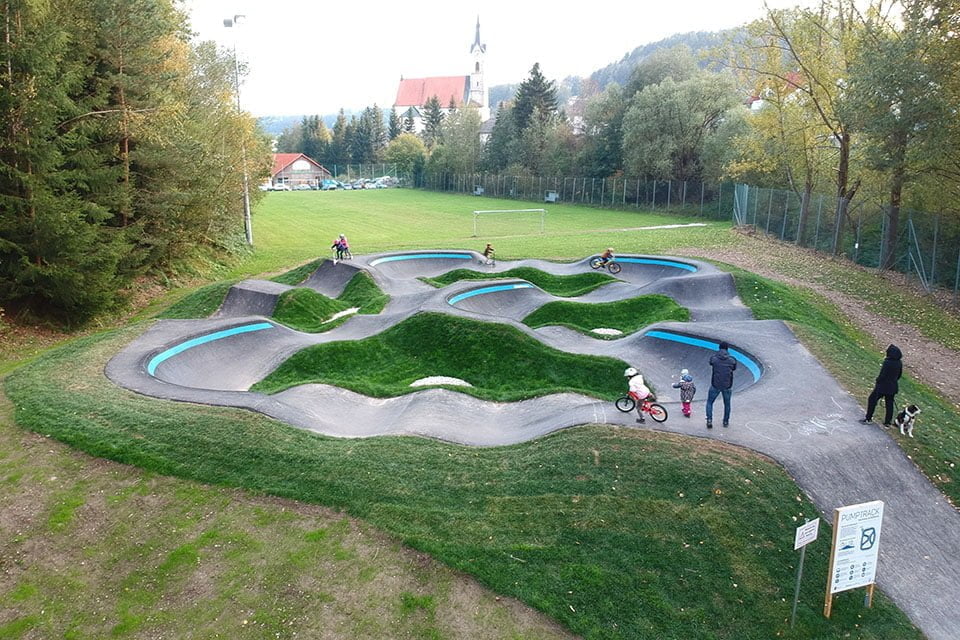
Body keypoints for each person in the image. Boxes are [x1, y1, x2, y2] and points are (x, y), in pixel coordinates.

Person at [860, 344, 903, 427]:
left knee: (872, 399)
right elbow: (899, 375)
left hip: (882, 386)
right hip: (893, 387)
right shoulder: (899, 363)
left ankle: (868, 418)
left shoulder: (887, 362)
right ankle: (887, 422)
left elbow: (882, 375)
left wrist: (878, 380)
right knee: (889, 404)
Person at [706, 341, 737, 429]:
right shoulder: (732, 359)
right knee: (727, 404)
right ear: (727, 349)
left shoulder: (714, 358)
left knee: (709, 402)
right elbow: (734, 368)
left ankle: (709, 420)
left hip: (715, 384)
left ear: (719, 348)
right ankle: (725, 421)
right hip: (727, 385)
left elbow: (711, 362)